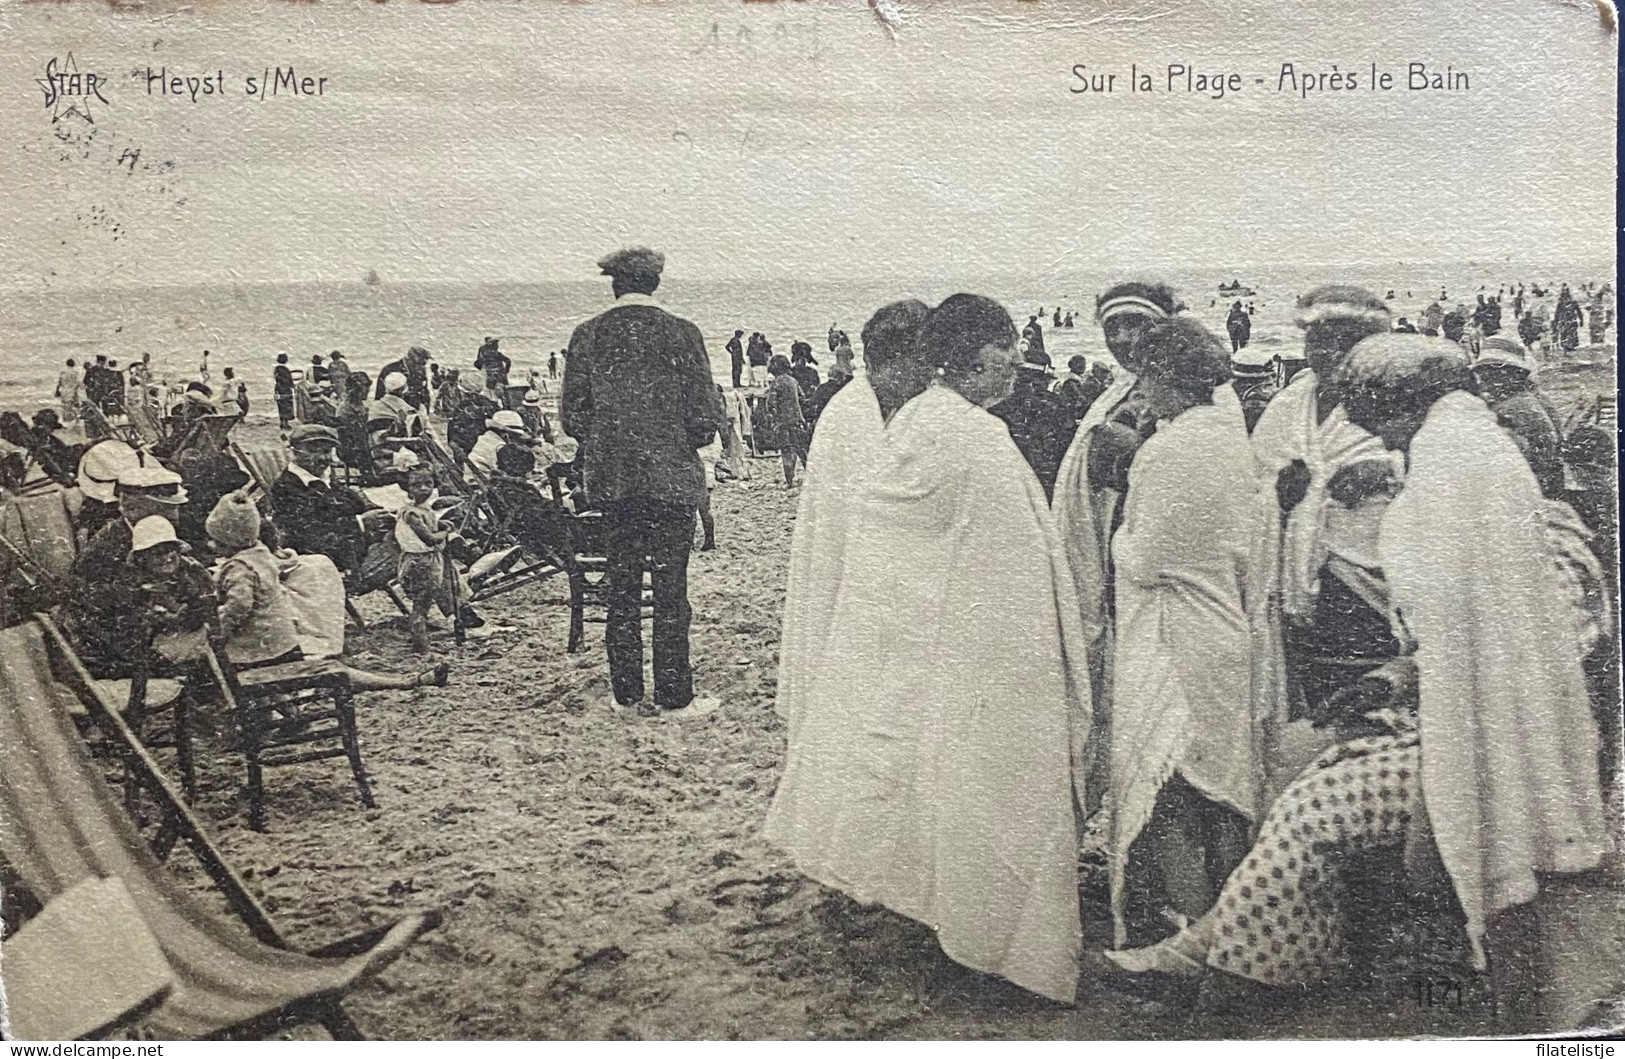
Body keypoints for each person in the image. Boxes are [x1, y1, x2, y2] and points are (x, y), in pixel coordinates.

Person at [1106, 336, 1610, 1032]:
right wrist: (1390, 678)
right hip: (1447, 732)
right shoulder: (1488, 502)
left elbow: (1514, 661)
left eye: (1388, 422)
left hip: (1478, 753)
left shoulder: (1540, 537)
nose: (1384, 439)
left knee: (1310, 809)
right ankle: (1266, 945)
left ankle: (1231, 978)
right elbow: (1463, 645)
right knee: (1291, 755)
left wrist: (1411, 686)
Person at [765, 294, 1088, 1004]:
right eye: (1006, 348)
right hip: (990, 656)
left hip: (950, 648)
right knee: (995, 796)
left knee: (952, 790)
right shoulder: (968, 434)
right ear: (973, 355)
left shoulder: (922, 422)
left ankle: (966, 927)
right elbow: (995, 560)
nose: (1016, 363)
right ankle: (999, 950)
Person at [1100, 317, 1256, 948]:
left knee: (1168, 796)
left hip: (1175, 641)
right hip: (1226, 631)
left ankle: (1192, 940)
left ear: (1165, 379)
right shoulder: (1231, 438)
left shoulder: (1164, 453)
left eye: (1146, 379)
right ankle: (1239, 929)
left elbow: (1146, 557)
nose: (1141, 393)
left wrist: (1113, 537)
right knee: (1225, 793)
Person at [561, 247, 726, 715]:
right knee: (672, 590)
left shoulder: (587, 334)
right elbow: (704, 418)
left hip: (614, 482)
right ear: (656, 283)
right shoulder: (683, 333)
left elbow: (573, 417)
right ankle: (675, 697)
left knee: (622, 586)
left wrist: (611, 440)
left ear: (614, 284)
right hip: (672, 480)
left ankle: (626, 694)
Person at [1246, 285, 1392, 798]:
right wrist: (1280, 494)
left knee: (1373, 698)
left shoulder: (1393, 398)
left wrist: (1390, 469)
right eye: (1317, 342)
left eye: (1341, 342)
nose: (1325, 355)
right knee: (1314, 699)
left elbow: (1440, 471)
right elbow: (1254, 478)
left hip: (1369, 579)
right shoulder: (1291, 403)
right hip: (1299, 577)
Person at [1051, 280, 1185, 806]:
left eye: (1139, 325)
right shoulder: (1118, 392)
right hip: (1112, 558)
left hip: (1156, 566)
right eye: (1114, 328)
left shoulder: (1183, 392)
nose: (1126, 339)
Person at [269, 424, 389, 575]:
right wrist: (360, 522)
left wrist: (374, 510)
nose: (322, 458)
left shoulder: (325, 478)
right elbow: (307, 532)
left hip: (347, 546)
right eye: (312, 451)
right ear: (294, 453)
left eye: (326, 452)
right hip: (320, 559)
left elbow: (353, 502)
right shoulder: (287, 486)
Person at [1470, 335, 1565, 499]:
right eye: (1484, 374)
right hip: (1547, 480)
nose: (1485, 381)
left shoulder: (1512, 407)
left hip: (1535, 488)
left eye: (1492, 373)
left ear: (1513, 374)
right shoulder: (1532, 397)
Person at [988, 347, 1076, 500]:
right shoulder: (1057, 405)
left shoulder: (995, 408)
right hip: (1048, 484)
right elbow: (1070, 446)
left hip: (1006, 488)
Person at [396, 466, 451, 654]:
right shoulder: (410, 513)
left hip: (427, 559)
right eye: (416, 485)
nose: (423, 489)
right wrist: (445, 533)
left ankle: (421, 641)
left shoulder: (423, 509)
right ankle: (422, 646)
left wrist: (440, 524)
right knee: (421, 606)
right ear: (407, 488)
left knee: (423, 604)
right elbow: (428, 537)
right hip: (419, 561)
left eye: (428, 483)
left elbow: (430, 525)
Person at [764, 354, 807, 487]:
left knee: (787, 451)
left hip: (783, 422)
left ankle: (789, 481)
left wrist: (775, 417)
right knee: (802, 450)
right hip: (797, 419)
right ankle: (812, 476)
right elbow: (802, 397)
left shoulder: (776, 382)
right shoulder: (793, 381)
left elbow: (770, 404)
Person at [467, 409, 529, 480]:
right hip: (482, 483)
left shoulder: (486, 438)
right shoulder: (499, 446)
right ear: (506, 434)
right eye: (514, 436)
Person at [374, 346, 434, 410]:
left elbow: (425, 393)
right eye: (421, 363)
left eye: (424, 363)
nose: (423, 365)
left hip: (415, 411)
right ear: (410, 360)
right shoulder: (390, 370)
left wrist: (426, 410)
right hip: (394, 411)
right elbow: (379, 396)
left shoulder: (420, 371)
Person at [56, 359, 84, 423]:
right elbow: (78, 383)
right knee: (76, 408)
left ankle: (65, 421)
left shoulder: (63, 372)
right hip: (73, 392)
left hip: (64, 392)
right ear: (74, 364)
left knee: (65, 408)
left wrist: (57, 391)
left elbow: (59, 383)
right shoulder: (75, 373)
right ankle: (77, 422)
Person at [274, 354, 295, 430]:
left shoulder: (276, 369)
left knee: (281, 407)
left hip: (278, 390)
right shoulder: (286, 370)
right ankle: (285, 424)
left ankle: (282, 423)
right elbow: (289, 381)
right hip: (285, 390)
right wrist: (293, 386)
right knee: (287, 407)